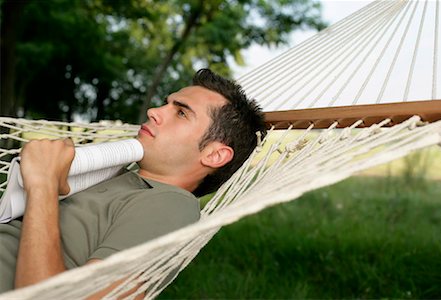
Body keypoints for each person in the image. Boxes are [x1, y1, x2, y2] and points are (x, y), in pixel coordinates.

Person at [0, 69, 266, 297]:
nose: (154, 111)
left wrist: (43, 185)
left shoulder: (172, 208)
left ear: (214, 154)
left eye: (181, 113)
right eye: (166, 104)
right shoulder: (115, 172)